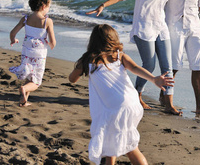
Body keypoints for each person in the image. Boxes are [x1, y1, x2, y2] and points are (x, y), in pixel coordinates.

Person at [87, 0, 181, 115]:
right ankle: (137, 94)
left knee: (168, 66)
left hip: (161, 27)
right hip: (144, 27)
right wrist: (104, 4)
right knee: (150, 65)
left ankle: (168, 104)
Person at [68, 24, 174, 165]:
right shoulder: (119, 56)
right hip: (132, 103)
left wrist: (81, 68)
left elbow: (72, 79)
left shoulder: (88, 59)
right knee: (116, 142)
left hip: (114, 108)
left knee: (127, 148)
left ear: (93, 41)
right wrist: (154, 79)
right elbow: (136, 68)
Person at [9, 0, 56, 107]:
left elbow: (12, 32)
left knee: (30, 73)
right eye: (49, 7)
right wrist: (50, 44)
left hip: (26, 51)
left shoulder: (25, 19)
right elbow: (53, 42)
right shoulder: (47, 21)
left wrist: (13, 40)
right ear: (44, 6)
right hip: (39, 54)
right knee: (36, 81)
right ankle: (24, 89)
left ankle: (23, 100)